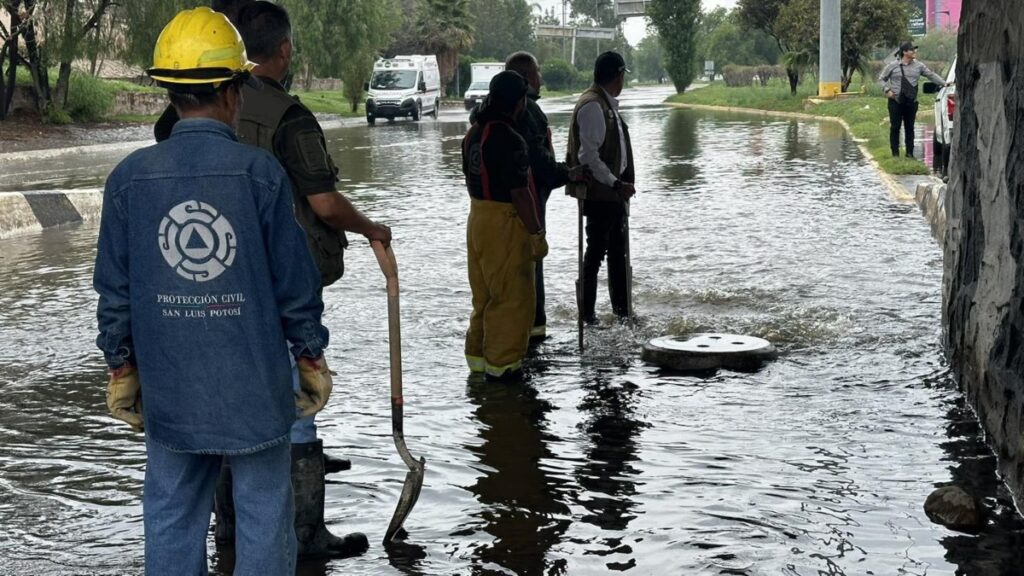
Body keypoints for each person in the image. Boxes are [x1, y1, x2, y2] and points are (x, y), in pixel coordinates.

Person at [94, 8, 334, 574]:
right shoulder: (260, 174)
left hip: (170, 387)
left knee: (172, 515)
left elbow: (115, 290)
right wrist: (309, 354)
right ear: (233, 90)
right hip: (254, 384)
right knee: (262, 514)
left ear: (169, 92)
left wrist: (121, 367)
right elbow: (295, 287)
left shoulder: (129, 178)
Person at [463, 71, 547, 381]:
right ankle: (504, 368)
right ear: (518, 101)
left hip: (477, 219)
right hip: (504, 225)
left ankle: (477, 360)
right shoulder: (511, 139)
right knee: (511, 298)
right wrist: (536, 232)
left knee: (483, 296)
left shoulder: (473, 134)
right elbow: (521, 193)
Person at [502, 52, 588, 343]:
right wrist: (571, 173)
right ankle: (534, 343)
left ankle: (509, 342)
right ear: (527, 78)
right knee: (530, 276)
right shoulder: (529, 112)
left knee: (503, 282)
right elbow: (541, 166)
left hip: (493, 215)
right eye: (537, 72)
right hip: (528, 208)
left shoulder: (488, 115)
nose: (540, 78)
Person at [566, 52, 636, 325]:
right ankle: (589, 316)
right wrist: (616, 183)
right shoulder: (593, 106)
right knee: (596, 254)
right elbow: (588, 157)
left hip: (613, 193)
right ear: (618, 77)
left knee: (617, 253)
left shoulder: (605, 104)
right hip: (601, 193)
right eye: (623, 76)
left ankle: (622, 312)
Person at [879, 41, 947, 159]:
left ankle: (909, 154)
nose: (914, 52)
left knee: (909, 127)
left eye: (914, 49)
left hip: (911, 102)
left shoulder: (919, 66)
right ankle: (895, 154)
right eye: (911, 50)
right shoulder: (892, 66)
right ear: (904, 52)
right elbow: (881, 79)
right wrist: (887, 90)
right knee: (895, 127)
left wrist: (944, 83)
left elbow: (931, 75)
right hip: (895, 101)